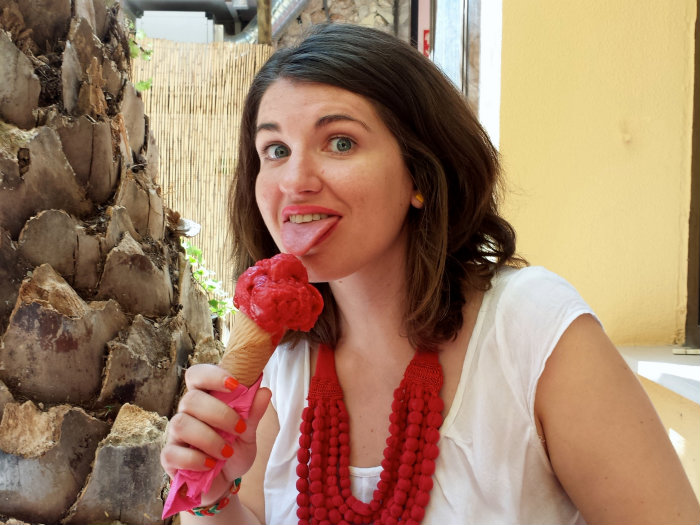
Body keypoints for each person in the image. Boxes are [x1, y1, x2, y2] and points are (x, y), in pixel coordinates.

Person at [160, 22, 700, 524]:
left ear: (421, 173)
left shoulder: (533, 330)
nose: (294, 180)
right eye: (274, 150)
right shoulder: (283, 362)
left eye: (340, 142)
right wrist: (214, 491)